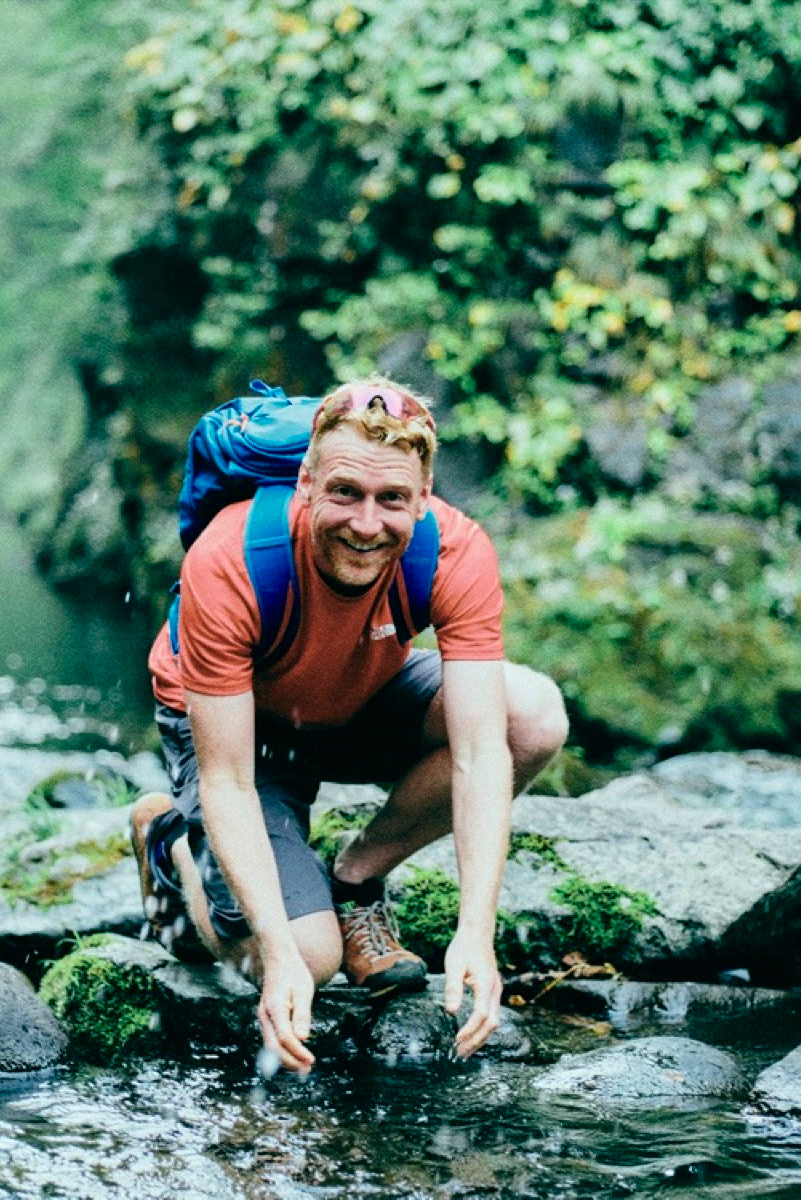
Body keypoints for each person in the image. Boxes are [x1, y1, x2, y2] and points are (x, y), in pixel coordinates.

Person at [131, 377, 569, 1075]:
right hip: (244, 735)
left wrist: (475, 934)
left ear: (423, 497)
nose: (367, 524)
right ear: (305, 483)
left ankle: (355, 879)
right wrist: (273, 953)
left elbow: (484, 755)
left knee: (533, 715)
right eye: (344, 493)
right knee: (308, 957)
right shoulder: (231, 559)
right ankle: (172, 852)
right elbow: (230, 778)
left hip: (358, 696)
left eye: (392, 500)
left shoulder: (456, 551)